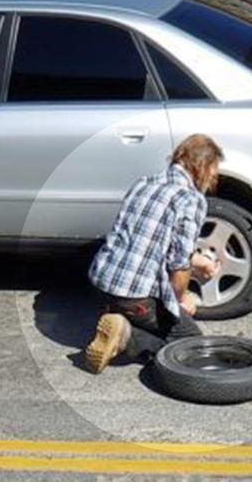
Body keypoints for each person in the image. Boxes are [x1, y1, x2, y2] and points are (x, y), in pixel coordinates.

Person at [84, 134, 225, 374]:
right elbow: (178, 265)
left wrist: (199, 261)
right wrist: (180, 302)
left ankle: (117, 312)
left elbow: (151, 242)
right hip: (133, 296)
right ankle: (127, 337)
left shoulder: (144, 183)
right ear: (202, 167)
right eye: (214, 171)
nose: (214, 178)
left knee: (152, 312)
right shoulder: (190, 199)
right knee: (189, 343)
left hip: (100, 281)